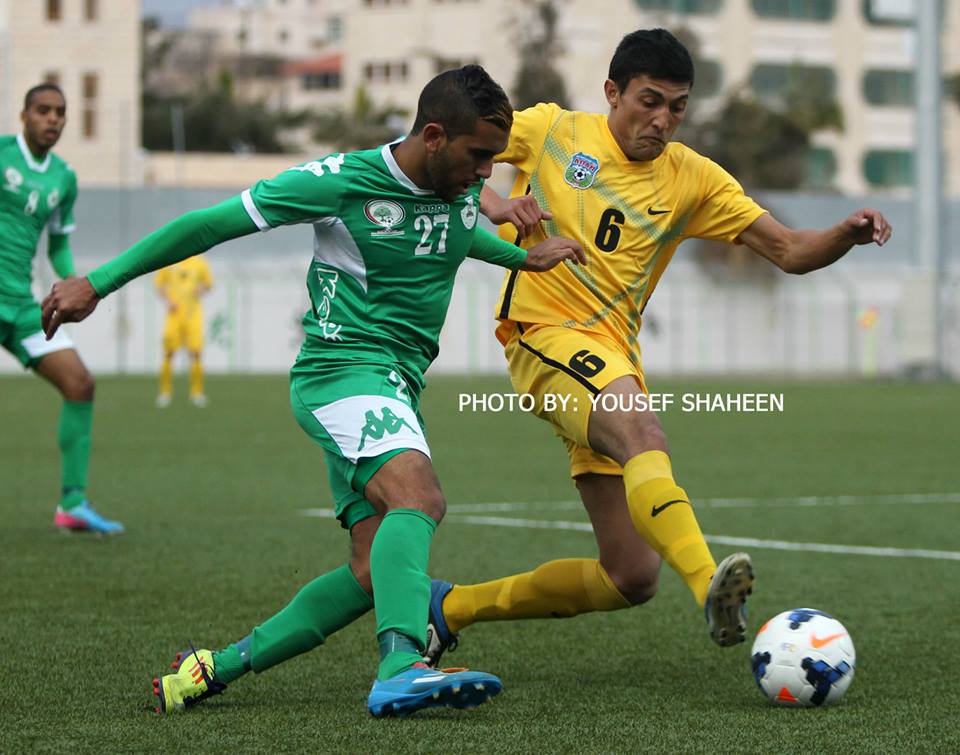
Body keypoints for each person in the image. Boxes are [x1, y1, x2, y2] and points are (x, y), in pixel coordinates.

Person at [41, 66, 585, 717]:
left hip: (394, 384)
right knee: (419, 496)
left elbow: (455, 233)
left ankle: (210, 669)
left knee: (371, 570)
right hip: (342, 372)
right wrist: (95, 283)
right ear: (435, 136)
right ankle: (402, 665)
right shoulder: (340, 183)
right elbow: (207, 226)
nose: (487, 174)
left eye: (494, 160)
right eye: (478, 157)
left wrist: (525, 257)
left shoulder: (459, 185)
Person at [422, 29, 892, 666]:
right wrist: (498, 204)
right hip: (542, 335)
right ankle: (710, 588)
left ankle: (450, 607)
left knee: (630, 575)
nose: (663, 120)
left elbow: (789, 250)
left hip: (612, 359)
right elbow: (452, 157)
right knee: (643, 431)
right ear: (612, 92)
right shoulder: (555, 130)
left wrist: (843, 234)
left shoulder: (692, 178)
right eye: (650, 101)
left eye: (677, 107)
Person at [0, 83, 123, 535]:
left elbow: (58, 245)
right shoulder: (2, 155)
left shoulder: (64, 179)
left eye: (60, 112)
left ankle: (72, 504)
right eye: (43, 110)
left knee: (79, 383)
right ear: (24, 116)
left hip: (20, 305)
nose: (52, 119)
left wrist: (79, 284)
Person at [154, 255, 213, 407]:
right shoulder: (169, 260)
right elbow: (159, 285)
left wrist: (202, 288)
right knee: (169, 353)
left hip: (193, 315)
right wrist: (168, 301)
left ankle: (197, 393)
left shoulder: (199, 262)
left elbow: (208, 283)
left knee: (196, 353)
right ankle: (165, 392)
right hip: (174, 315)